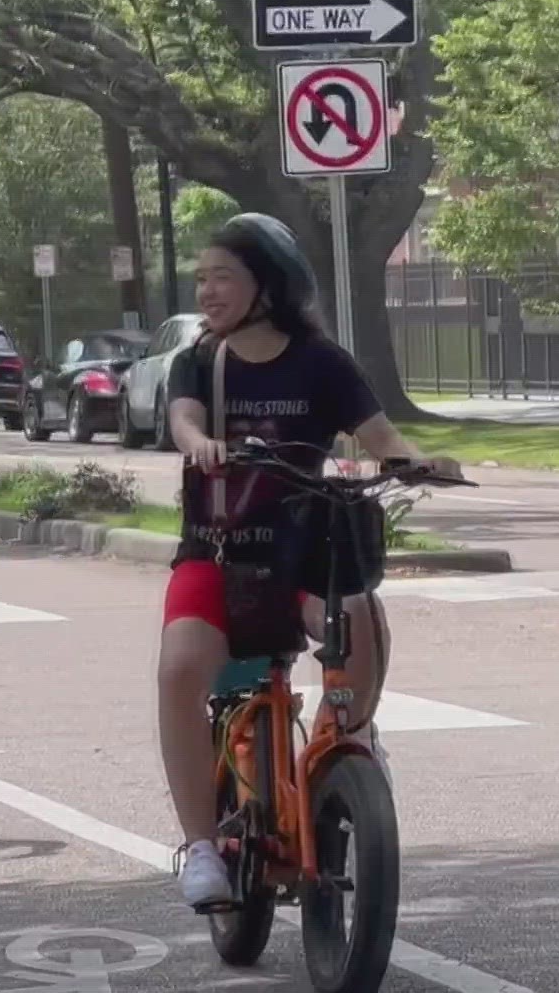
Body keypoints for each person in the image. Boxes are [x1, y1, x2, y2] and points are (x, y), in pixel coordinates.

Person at [157, 212, 462, 909]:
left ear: (269, 283)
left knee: (361, 619)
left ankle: (346, 741)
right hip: (218, 550)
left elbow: (381, 436)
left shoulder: (322, 361)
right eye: (201, 278)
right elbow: (184, 418)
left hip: (300, 552)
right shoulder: (199, 359)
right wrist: (199, 441)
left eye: (222, 277)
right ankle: (201, 849)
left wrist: (418, 464)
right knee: (179, 670)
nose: (207, 290)